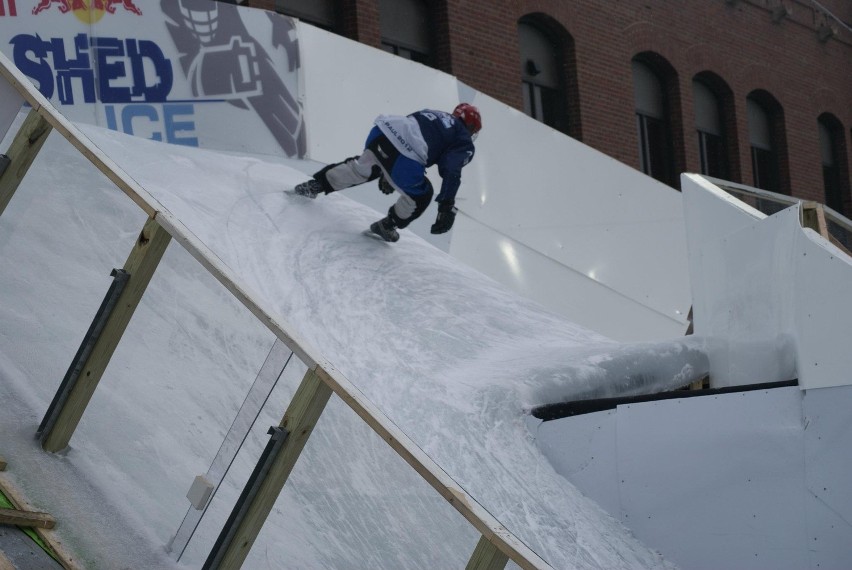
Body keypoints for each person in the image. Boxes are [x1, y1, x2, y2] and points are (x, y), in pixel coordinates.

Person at [292, 103, 482, 242]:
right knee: (422, 195)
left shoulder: (433, 113)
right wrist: (446, 206)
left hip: (382, 132)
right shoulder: (463, 139)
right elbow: (451, 169)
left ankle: (314, 185)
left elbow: (406, 130)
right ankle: (387, 225)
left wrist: (386, 172)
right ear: (471, 127)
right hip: (405, 156)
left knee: (363, 168)